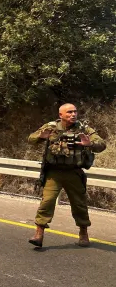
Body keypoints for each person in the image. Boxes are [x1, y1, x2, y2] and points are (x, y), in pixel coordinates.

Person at [27, 103, 106, 248]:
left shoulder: (84, 128)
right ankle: (39, 233)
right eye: (69, 112)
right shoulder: (51, 127)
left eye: (75, 111)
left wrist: (90, 144)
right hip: (54, 173)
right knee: (47, 202)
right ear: (61, 115)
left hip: (74, 172)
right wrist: (41, 136)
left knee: (79, 204)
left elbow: (101, 143)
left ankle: (83, 233)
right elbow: (30, 139)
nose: (73, 114)